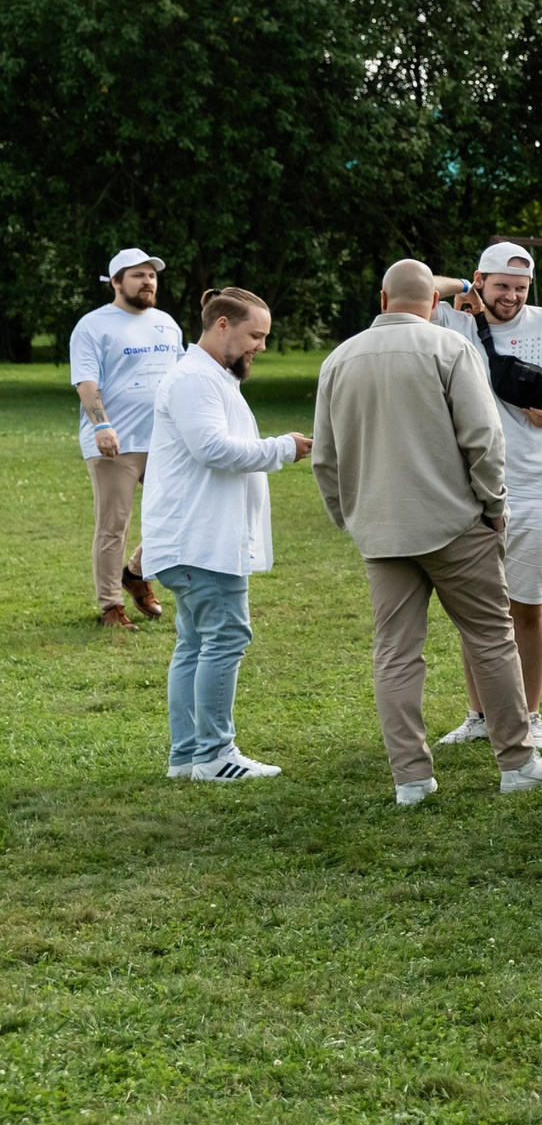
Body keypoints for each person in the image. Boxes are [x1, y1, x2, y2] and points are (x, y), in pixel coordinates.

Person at [312, 259, 542, 805]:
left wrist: (348, 516)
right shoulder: (450, 348)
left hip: (380, 530)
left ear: (383, 301)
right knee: (491, 639)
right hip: (457, 524)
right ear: (433, 303)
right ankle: (517, 762)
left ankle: (410, 777)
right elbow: (484, 439)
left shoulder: (338, 359)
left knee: (395, 653)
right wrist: (494, 506)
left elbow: (325, 459)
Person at [423, 243, 542, 752]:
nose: (511, 296)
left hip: (535, 488)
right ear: (479, 279)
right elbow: (406, 288)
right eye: (501, 285)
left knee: (527, 606)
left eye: (521, 288)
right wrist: (460, 289)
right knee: (477, 609)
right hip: (467, 488)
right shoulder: (451, 321)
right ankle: (479, 716)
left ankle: (530, 716)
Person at [141, 287, 310, 782]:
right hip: (201, 541)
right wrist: (283, 448)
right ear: (221, 325)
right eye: (255, 335)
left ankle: (187, 757)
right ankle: (215, 754)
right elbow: (212, 449)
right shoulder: (196, 379)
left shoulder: (211, 376)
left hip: (197, 537)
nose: (260, 346)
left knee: (195, 643)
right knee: (224, 637)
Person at [69, 246, 185, 629]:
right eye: (138, 275)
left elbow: (183, 377)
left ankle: (135, 572)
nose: (147, 281)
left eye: (151, 275)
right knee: (113, 526)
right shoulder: (93, 325)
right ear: (116, 282)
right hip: (115, 444)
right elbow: (86, 382)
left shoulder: (167, 323)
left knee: (181, 510)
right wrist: (101, 425)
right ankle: (110, 607)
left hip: (165, 442)